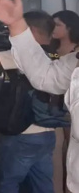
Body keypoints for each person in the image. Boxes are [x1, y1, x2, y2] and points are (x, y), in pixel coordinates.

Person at [0, 0, 78, 193]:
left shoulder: (19, 56)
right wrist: (16, 25)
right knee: (43, 184)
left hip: (22, 132)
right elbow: (45, 77)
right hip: (47, 133)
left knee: (9, 182)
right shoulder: (63, 58)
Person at [51, 10, 79, 193]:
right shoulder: (51, 50)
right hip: (51, 109)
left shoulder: (76, 53)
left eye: (58, 24)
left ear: (70, 28)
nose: (53, 28)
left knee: (72, 151)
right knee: (57, 155)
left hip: (71, 109)